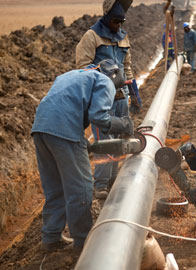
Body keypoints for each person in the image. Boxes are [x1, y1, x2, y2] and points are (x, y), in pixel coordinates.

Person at [32, 59, 134, 253]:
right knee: (81, 188)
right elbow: (99, 117)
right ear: (115, 77)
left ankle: (51, 237)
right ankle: (83, 242)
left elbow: (65, 105)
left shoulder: (72, 75)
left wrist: (80, 138)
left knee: (55, 187)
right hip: (63, 129)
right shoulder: (105, 81)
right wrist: (124, 124)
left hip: (41, 128)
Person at [76, 0, 141, 199]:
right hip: (101, 100)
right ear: (106, 17)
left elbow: (127, 67)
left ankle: (113, 179)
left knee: (120, 139)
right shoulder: (92, 37)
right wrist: (104, 73)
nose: (118, 25)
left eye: (121, 22)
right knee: (104, 140)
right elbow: (82, 67)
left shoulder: (123, 38)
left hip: (121, 97)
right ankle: (101, 185)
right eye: (115, 21)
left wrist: (134, 93)